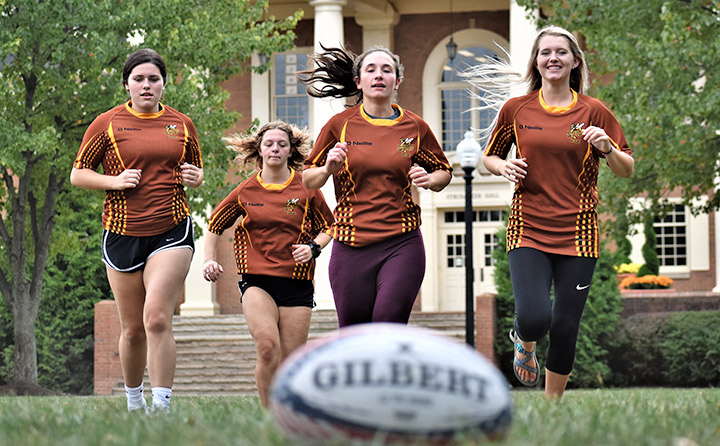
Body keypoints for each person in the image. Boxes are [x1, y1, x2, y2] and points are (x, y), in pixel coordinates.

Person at [464, 26, 634, 400]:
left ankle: (552, 404)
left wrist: (608, 148)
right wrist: (502, 167)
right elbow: (488, 156)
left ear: (575, 61)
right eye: (545, 52)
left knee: (565, 325)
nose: (553, 58)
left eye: (561, 52)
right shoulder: (517, 109)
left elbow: (626, 168)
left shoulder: (593, 111)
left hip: (579, 233)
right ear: (536, 62)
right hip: (529, 229)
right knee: (537, 316)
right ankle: (524, 340)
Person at [71, 49, 203, 412]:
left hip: (171, 229)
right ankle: (134, 402)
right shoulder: (107, 123)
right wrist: (114, 181)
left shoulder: (182, 124)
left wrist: (196, 177)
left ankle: (161, 407)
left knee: (157, 317)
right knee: (132, 329)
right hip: (122, 232)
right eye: (139, 79)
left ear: (164, 83)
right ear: (126, 84)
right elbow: (78, 174)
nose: (147, 85)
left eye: (154, 79)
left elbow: (196, 170)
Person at [298, 45, 453, 328]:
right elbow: (308, 178)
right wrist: (327, 168)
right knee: (355, 335)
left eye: (387, 70)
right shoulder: (339, 125)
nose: (379, 75)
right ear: (358, 81)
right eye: (370, 70)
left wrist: (430, 180)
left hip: (401, 241)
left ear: (397, 80)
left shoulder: (414, 127)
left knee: (387, 326)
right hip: (351, 244)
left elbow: (444, 171)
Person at [201, 121, 333, 407]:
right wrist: (209, 259)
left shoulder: (307, 185)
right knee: (268, 348)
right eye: (269, 144)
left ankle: (290, 413)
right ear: (259, 150)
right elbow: (215, 224)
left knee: (292, 360)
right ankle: (267, 415)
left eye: (281, 144)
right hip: (257, 281)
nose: (275, 148)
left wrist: (313, 248)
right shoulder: (246, 190)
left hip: (297, 283)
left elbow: (330, 226)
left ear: (290, 151)